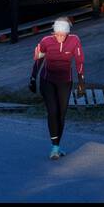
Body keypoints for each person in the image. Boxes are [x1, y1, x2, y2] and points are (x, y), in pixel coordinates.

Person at [29, 17, 85, 159]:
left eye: (63, 34)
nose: (60, 37)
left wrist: (81, 82)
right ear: (54, 33)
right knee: (53, 111)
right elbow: (38, 59)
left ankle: (57, 146)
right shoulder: (46, 41)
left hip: (65, 81)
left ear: (67, 33)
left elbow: (79, 61)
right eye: (57, 34)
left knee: (61, 114)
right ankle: (54, 148)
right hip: (47, 81)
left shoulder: (74, 40)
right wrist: (33, 78)